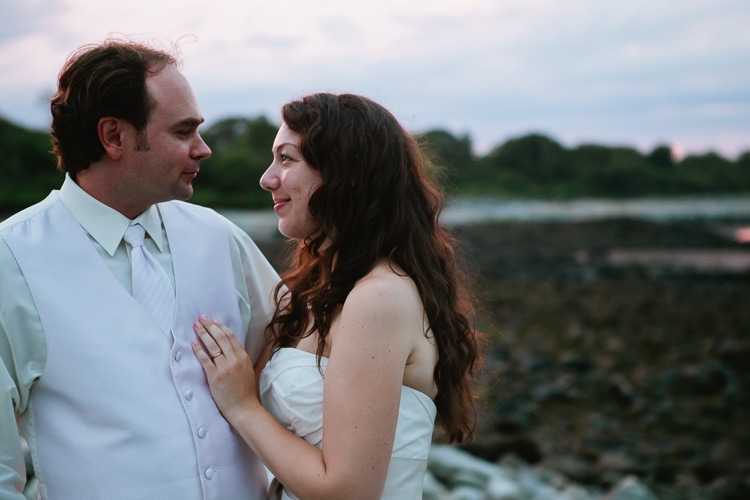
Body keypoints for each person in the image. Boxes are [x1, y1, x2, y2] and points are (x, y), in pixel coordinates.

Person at [0, 39, 278, 499]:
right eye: (183, 132)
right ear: (114, 137)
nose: (204, 149)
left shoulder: (219, 236)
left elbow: (299, 356)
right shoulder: (11, 260)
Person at [192, 93, 483, 499]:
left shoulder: (379, 297)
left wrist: (243, 406)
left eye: (287, 159)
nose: (267, 178)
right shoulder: (316, 294)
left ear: (344, 175)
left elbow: (349, 490)